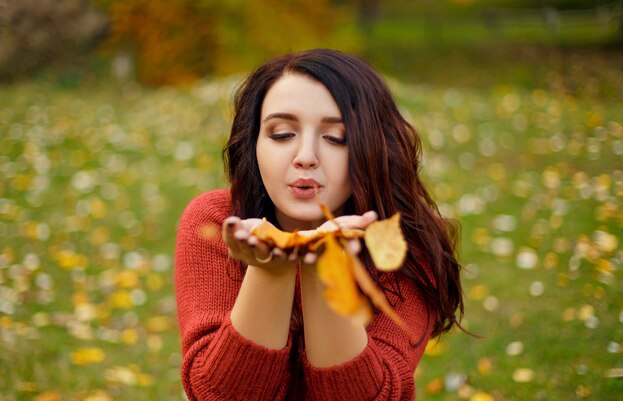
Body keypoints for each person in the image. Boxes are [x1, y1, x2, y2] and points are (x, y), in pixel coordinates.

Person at [174, 48, 464, 401]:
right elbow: (218, 395)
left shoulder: (405, 243)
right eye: (282, 134)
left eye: (336, 138)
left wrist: (325, 269)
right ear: (253, 144)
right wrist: (272, 270)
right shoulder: (217, 221)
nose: (306, 157)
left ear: (373, 147)